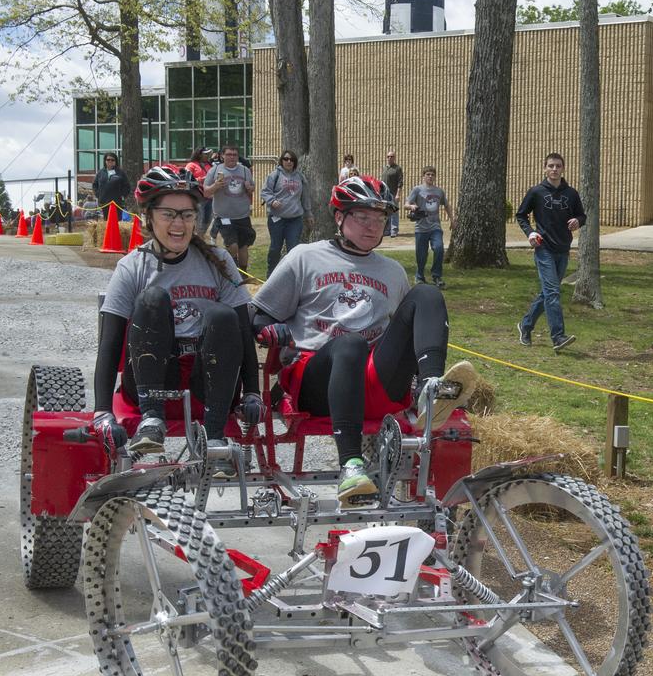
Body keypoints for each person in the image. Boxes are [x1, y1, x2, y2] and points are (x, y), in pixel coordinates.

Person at [251, 175, 478, 503]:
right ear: (339, 217)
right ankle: (350, 465)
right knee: (350, 343)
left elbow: (404, 334)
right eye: (363, 217)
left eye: (380, 218)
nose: (373, 226)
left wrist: (414, 375)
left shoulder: (393, 272)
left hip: (372, 379)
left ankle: (432, 389)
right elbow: (258, 316)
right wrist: (269, 330)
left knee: (426, 293)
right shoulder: (305, 257)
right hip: (315, 379)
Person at [92, 164, 261, 468]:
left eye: (187, 214)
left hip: (206, 381)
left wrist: (252, 392)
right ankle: (152, 419)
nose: (179, 224)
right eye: (168, 214)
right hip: (151, 378)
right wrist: (102, 411)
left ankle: (214, 435)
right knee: (153, 299)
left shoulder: (219, 261)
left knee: (224, 316)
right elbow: (110, 342)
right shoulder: (132, 266)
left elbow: (243, 331)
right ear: (149, 217)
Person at [515, 152, 584, 352]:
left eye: (558, 166)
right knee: (553, 292)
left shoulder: (571, 194)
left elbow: (582, 214)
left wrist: (578, 220)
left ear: (563, 169)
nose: (554, 169)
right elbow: (521, 215)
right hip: (543, 248)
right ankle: (558, 336)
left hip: (563, 249)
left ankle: (525, 326)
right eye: (551, 166)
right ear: (545, 168)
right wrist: (530, 233)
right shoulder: (536, 192)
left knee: (547, 293)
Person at [204, 143, 257, 273]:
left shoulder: (244, 170)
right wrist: (216, 186)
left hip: (243, 215)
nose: (232, 157)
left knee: (243, 247)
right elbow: (206, 192)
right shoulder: (215, 170)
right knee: (233, 245)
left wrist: (250, 188)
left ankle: (243, 274)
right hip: (224, 217)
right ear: (222, 156)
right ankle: (233, 269)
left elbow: (252, 188)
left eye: (234, 155)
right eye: (228, 154)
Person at [261, 149, 310, 277]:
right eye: (286, 159)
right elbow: (264, 192)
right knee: (275, 248)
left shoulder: (300, 176)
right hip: (277, 219)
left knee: (293, 249)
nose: (289, 162)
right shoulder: (274, 175)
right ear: (281, 161)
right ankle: (271, 275)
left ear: (295, 162)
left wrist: (309, 213)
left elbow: (305, 197)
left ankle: (290, 276)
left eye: (291, 160)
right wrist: (272, 201)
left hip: (295, 219)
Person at [405, 165, 454, 287]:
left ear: (435, 176)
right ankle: (419, 276)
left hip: (435, 227)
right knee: (421, 255)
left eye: (432, 174)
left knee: (439, 248)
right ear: (423, 176)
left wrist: (453, 220)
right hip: (421, 228)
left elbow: (446, 205)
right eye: (428, 174)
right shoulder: (417, 190)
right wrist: (411, 206)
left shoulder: (439, 191)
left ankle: (437, 276)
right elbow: (406, 204)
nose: (430, 176)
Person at [183, 147, 214, 234]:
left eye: (209, 154)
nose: (208, 156)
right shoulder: (191, 165)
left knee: (208, 219)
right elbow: (187, 180)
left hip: (209, 196)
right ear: (199, 154)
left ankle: (201, 236)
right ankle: (197, 236)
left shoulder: (210, 165)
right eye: (206, 154)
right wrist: (201, 179)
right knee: (199, 219)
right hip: (197, 196)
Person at [93, 153, 130, 218]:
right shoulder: (100, 172)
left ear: (115, 161)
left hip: (117, 203)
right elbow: (95, 185)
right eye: (108, 159)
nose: (110, 161)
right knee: (106, 223)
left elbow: (127, 186)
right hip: (104, 202)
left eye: (112, 160)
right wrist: (98, 194)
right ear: (105, 161)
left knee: (116, 222)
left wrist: (122, 196)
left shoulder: (120, 173)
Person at [381, 150, 404, 237]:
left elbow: (400, 182)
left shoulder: (397, 169)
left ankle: (394, 230)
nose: (389, 158)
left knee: (394, 212)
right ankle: (387, 230)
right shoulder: (384, 168)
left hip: (393, 194)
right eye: (388, 156)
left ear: (394, 158)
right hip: (384, 194)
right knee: (386, 212)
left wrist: (398, 194)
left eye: (391, 156)